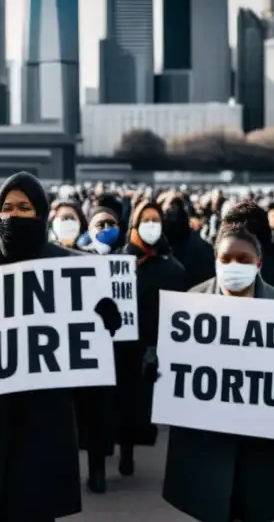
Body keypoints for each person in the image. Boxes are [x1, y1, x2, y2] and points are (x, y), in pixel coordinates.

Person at [0, 172, 120, 521]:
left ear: (40, 213)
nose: (13, 214)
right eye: (7, 207)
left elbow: (94, 341)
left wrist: (106, 319)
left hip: (43, 413)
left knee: (34, 505)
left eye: (24, 207)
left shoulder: (72, 266)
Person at [162, 223, 274, 521]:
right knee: (215, 507)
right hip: (210, 437)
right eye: (226, 259)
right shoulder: (191, 304)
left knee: (258, 506)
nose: (234, 266)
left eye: (244, 260)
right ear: (215, 260)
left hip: (265, 438)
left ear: (259, 263)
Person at [114, 199, 189, 478]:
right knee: (123, 404)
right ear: (134, 224)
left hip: (154, 345)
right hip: (122, 347)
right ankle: (125, 451)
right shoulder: (119, 263)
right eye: (145, 220)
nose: (151, 226)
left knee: (146, 405)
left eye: (155, 220)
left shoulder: (173, 267)